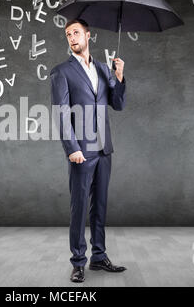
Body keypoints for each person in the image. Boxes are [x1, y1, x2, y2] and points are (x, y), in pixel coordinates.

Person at [50, 19, 127, 283]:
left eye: (76, 33)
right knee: (79, 207)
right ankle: (78, 262)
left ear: (88, 36)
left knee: (100, 206)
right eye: (68, 34)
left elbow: (118, 104)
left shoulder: (105, 69)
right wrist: (71, 148)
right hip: (81, 150)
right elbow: (60, 114)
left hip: (104, 148)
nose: (71, 37)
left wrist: (118, 77)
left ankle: (99, 256)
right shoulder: (62, 71)